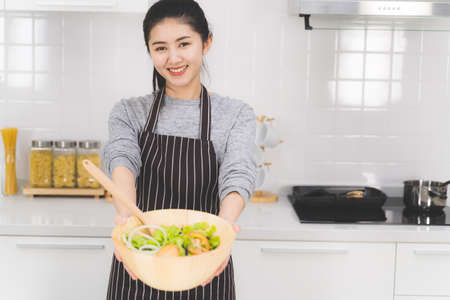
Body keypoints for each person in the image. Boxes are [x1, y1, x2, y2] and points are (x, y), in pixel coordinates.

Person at [102, 0, 257, 299]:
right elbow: (122, 162)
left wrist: (221, 236)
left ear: (206, 42)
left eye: (183, 43)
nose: (173, 58)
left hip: (205, 266)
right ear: (150, 51)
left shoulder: (235, 114)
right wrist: (129, 226)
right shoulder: (128, 111)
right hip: (140, 259)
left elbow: (238, 173)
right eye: (160, 48)